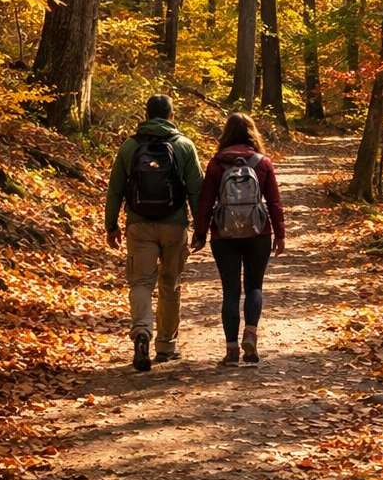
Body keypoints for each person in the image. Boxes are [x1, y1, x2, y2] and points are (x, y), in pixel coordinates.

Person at [104, 94, 204, 372]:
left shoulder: (130, 146)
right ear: (172, 116)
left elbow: (115, 189)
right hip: (174, 226)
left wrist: (111, 226)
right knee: (170, 284)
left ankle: (142, 331)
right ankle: (166, 346)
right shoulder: (184, 145)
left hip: (138, 226)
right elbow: (196, 190)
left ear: (146, 115)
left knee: (140, 283)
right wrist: (201, 227)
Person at [192, 112, 285, 366]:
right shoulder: (262, 163)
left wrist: (199, 235)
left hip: (224, 234)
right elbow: (274, 203)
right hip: (258, 232)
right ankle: (251, 334)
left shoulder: (216, 164)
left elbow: (205, 203)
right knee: (254, 286)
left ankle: (232, 351)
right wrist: (280, 235)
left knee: (230, 291)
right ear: (252, 133)